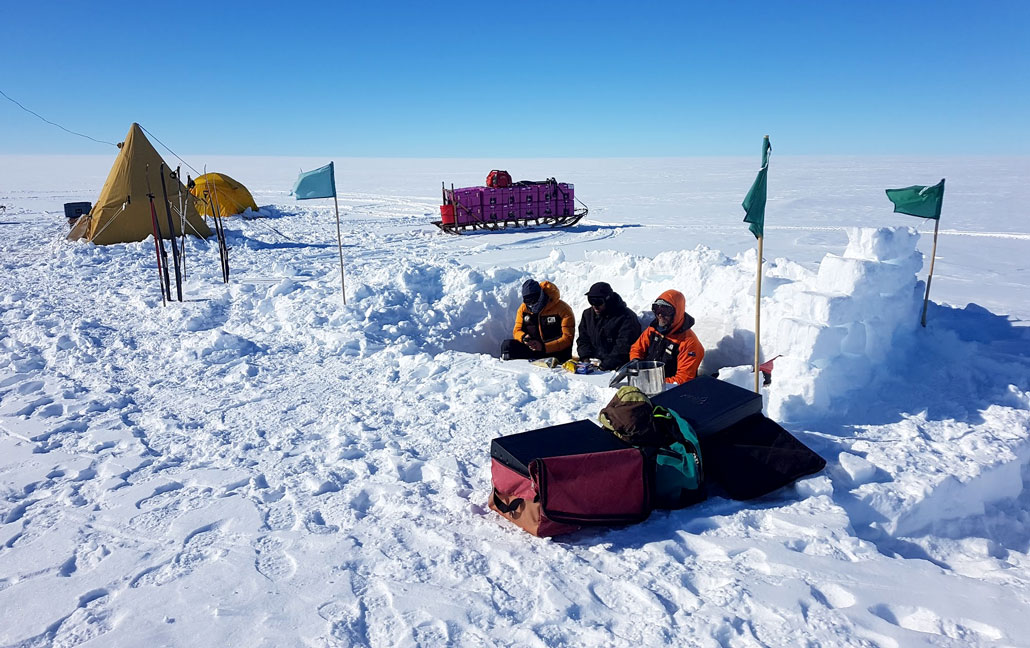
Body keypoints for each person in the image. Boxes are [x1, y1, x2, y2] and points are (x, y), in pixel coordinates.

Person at [629, 289, 704, 384]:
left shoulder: (688, 342)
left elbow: (684, 379)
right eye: (657, 309)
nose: (660, 315)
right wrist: (636, 361)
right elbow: (637, 348)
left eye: (665, 311)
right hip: (647, 383)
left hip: (671, 390)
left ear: (677, 312)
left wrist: (653, 382)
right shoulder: (652, 330)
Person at [501, 279, 575, 362]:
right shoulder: (523, 309)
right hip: (533, 348)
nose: (532, 305)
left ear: (541, 295)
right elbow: (517, 330)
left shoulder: (563, 309)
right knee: (507, 346)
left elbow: (567, 338)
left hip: (555, 350)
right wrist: (524, 337)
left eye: (534, 300)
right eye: (528, 302)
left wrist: (544, 347)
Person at [576, 282, 642, 370]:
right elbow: (583, 339)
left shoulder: (626, 317)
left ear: (608, 300)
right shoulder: (588, 314)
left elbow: (624, 346)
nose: (594, 306)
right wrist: (585, 357)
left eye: (598, 302)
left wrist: (605, 365)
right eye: (591, 301)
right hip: (593, 366)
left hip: (616, 368)